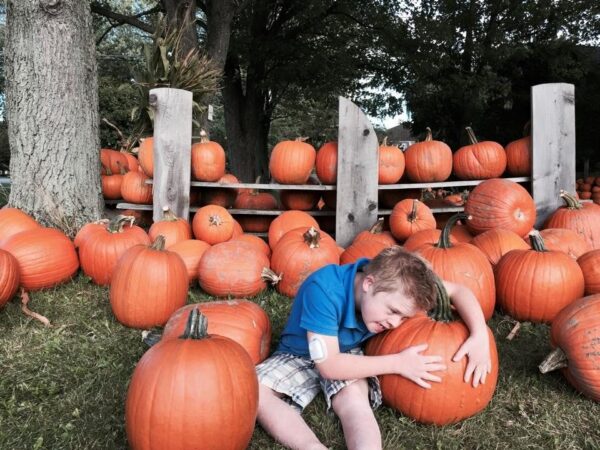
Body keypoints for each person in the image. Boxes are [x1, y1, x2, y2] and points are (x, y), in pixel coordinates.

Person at [256, 246, 492, 450]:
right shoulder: (325, 289)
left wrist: (479, 334)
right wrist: (398, 363)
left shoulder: (398, 285)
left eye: (403, 318)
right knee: (255, 391)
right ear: (369, 283)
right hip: (298, 353)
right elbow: (329, 365)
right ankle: (311, 446)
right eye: (393, 312)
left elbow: (460, 291)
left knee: (354, 400)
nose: (394, 324)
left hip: (348, 353)